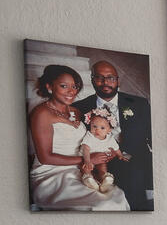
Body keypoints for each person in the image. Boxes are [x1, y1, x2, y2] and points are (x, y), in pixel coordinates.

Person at [28, 65, 128, 210]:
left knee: (115, 197)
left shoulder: (76, 111)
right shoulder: (41, 113)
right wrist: (89, 159)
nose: (71, 91)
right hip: (53, 173)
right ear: (49, 86)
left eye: (75, 86)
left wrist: (106, 151)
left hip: (80, 169)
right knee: (102, 204)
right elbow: (45, 158)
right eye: (64, 86)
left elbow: (91, 138)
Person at [72, 59, 153, 210]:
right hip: (98, 159)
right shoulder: (79, 108)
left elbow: (152, 136)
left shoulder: (139, 103)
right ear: (92, 80)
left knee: (134, 179)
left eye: (110, 77)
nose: (105, 82)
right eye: (99, 77)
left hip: (133, 157)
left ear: (117, 80)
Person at [78, 108, 131, 192]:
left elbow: (116, 148)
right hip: (88, 157)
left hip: (101, 160)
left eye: (102, 128)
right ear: (90, 124)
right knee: (85, 167)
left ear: (109, 130)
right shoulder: (89, 136)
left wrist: (120, 155)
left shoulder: (110, 138)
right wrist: (87, 161)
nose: (97, 130)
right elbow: (86, 149)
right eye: (94, 126)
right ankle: (89, 179)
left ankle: (104, 179)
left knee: (102, 166)